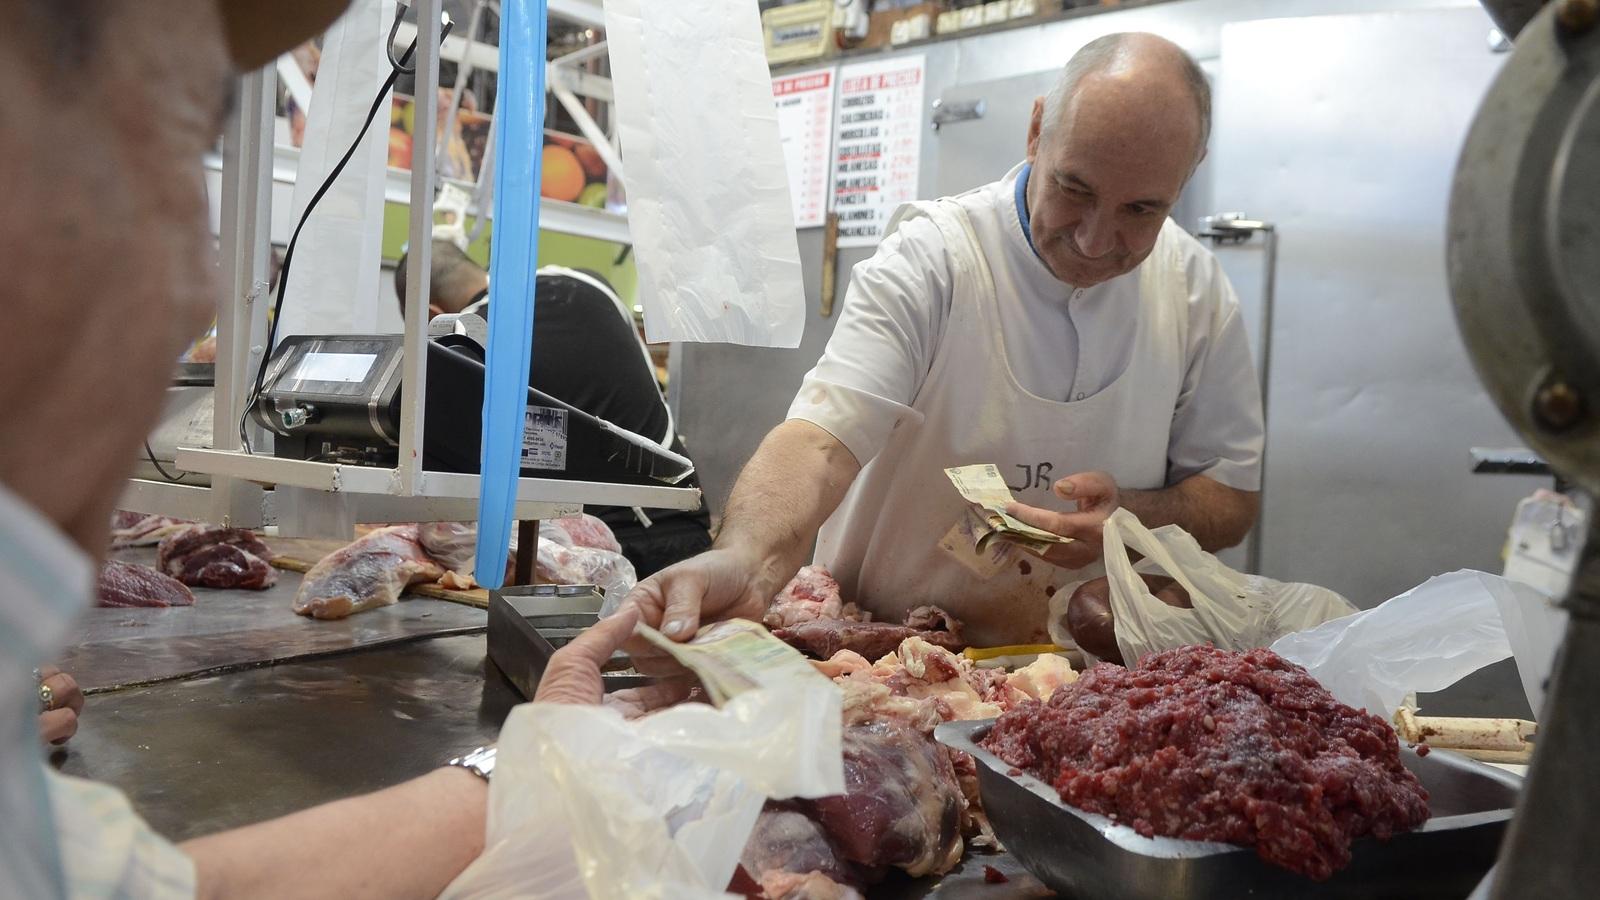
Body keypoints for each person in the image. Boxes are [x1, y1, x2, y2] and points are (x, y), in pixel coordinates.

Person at [0, 2, 633, 896]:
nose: (195, 286)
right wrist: (550, 763)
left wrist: (542, 761)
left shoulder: (556, 304)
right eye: (177, 138)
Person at [626, 33, 1264, 656]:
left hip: (1084, 684)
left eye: (1141, 211)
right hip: (884, 660)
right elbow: (820, 443)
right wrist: (745, 559)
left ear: (1189, 172)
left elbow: (1231, 500)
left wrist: (1132, 517)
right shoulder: (936, 259)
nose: (1097, 241)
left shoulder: (1194, 291)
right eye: (1075, 190)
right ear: (1037, 130)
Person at [395, 240, 715, 576]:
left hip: (597, 549)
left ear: (433, 315)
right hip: (685, 524)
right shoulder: (588, 282)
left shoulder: (468, 340)